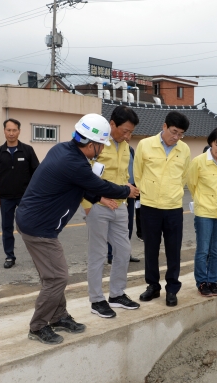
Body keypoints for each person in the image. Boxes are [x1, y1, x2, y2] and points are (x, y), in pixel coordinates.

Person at [15, 114, 138, 345]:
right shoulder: (74, 163)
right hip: (38, 227)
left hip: (37, 222)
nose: (102, 149)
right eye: (101, 145)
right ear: (91, 144)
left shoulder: (63, 149)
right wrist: (125, 191)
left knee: (54, 275)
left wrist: (97, 196)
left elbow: (82, 187)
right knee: (57, 277)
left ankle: (58, 316)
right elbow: (96, 184)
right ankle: (39, 326)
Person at [83, 106, 141, 319]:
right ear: (112, 124)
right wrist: (89, 205)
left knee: (124, 251)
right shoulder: (96, 142)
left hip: (120, 205)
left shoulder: (125, 146)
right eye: (124, 130)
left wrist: (127, 188)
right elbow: (84, 176)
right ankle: (96, 300)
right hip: (99, 206)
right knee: (98, 254)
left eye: (130, 132)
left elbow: (122, 173)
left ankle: (116, 294)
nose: (127, 136)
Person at [134, 111, 191, 307]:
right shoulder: (145, 145)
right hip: (150, 207)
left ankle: (172, 288)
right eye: (174, 131)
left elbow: (184, 176)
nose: (176, 137)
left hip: (174, 207)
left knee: (173, 250)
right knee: (151, 249)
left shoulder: (184, 149)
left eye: (181, 134)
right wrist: (148, 193)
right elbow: (138, 173)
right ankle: (153, 286)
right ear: (164, 126)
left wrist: (173, 193)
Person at [189, 127, 217, 297]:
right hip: (204, 212)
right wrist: (202, 200)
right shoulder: (199, 161)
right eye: (216, 144)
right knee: (203, 250)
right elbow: (192, 185)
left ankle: (213, 281)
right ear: (211, 143)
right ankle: (202, 282)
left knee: (216, 250)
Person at [0, 119, 39, 269]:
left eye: (14, 130)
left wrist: (35, 195)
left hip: (25, 197)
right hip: (6, 198)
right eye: (8, 130)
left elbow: (37, 173)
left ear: (19, 131)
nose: (11, 133)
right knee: (7, 228)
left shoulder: (28, 150)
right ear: (4, 131)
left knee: (30, 227)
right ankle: (9, 256)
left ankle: (37, 256)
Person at [107, 144, 140, 264]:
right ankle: (111, 254)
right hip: (117, 191)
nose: (128, 135)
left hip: (131, 191)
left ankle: (125, 253)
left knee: (128, 225)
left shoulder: (130, 149)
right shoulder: (107, 146)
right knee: (114, 226)